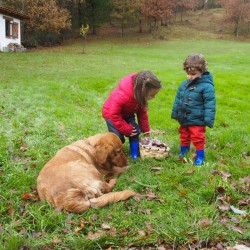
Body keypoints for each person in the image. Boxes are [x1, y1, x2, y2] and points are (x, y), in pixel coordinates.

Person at [102, 71, 162, 159]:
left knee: (135, 132)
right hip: (111, 115)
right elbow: (114, 114)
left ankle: (134, 154)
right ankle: (113, 153)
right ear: (143, 91)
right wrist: (126, 129)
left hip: (127, 114)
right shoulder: (122, 96)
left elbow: (142, 114)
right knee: (118, 138)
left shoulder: (140, 96)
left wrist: (146, 130)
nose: (154, 97)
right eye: (152, 95)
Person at [171, 54, 216, 166]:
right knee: (184, 134)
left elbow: (210, 104)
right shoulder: (183, 85)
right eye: (188, 74)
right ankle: (183, 151)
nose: (190, 77)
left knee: (197, 137)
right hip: (184, 117)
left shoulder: (207, 86)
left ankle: (200, 156)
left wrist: (208, 119)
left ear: (202, 71)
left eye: (193, 74)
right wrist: (175, 113)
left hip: (197, 118)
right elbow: (178, 100)